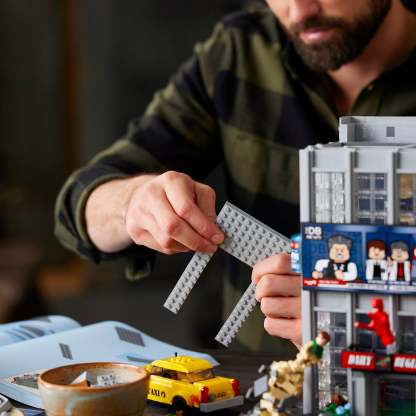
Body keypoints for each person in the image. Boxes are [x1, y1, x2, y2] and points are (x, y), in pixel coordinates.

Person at [55, 0, 416, 352]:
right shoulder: (241, 50)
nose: (299, 10)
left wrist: (365, 318)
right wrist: (133, 202)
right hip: (250, 379)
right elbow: (78, 207)